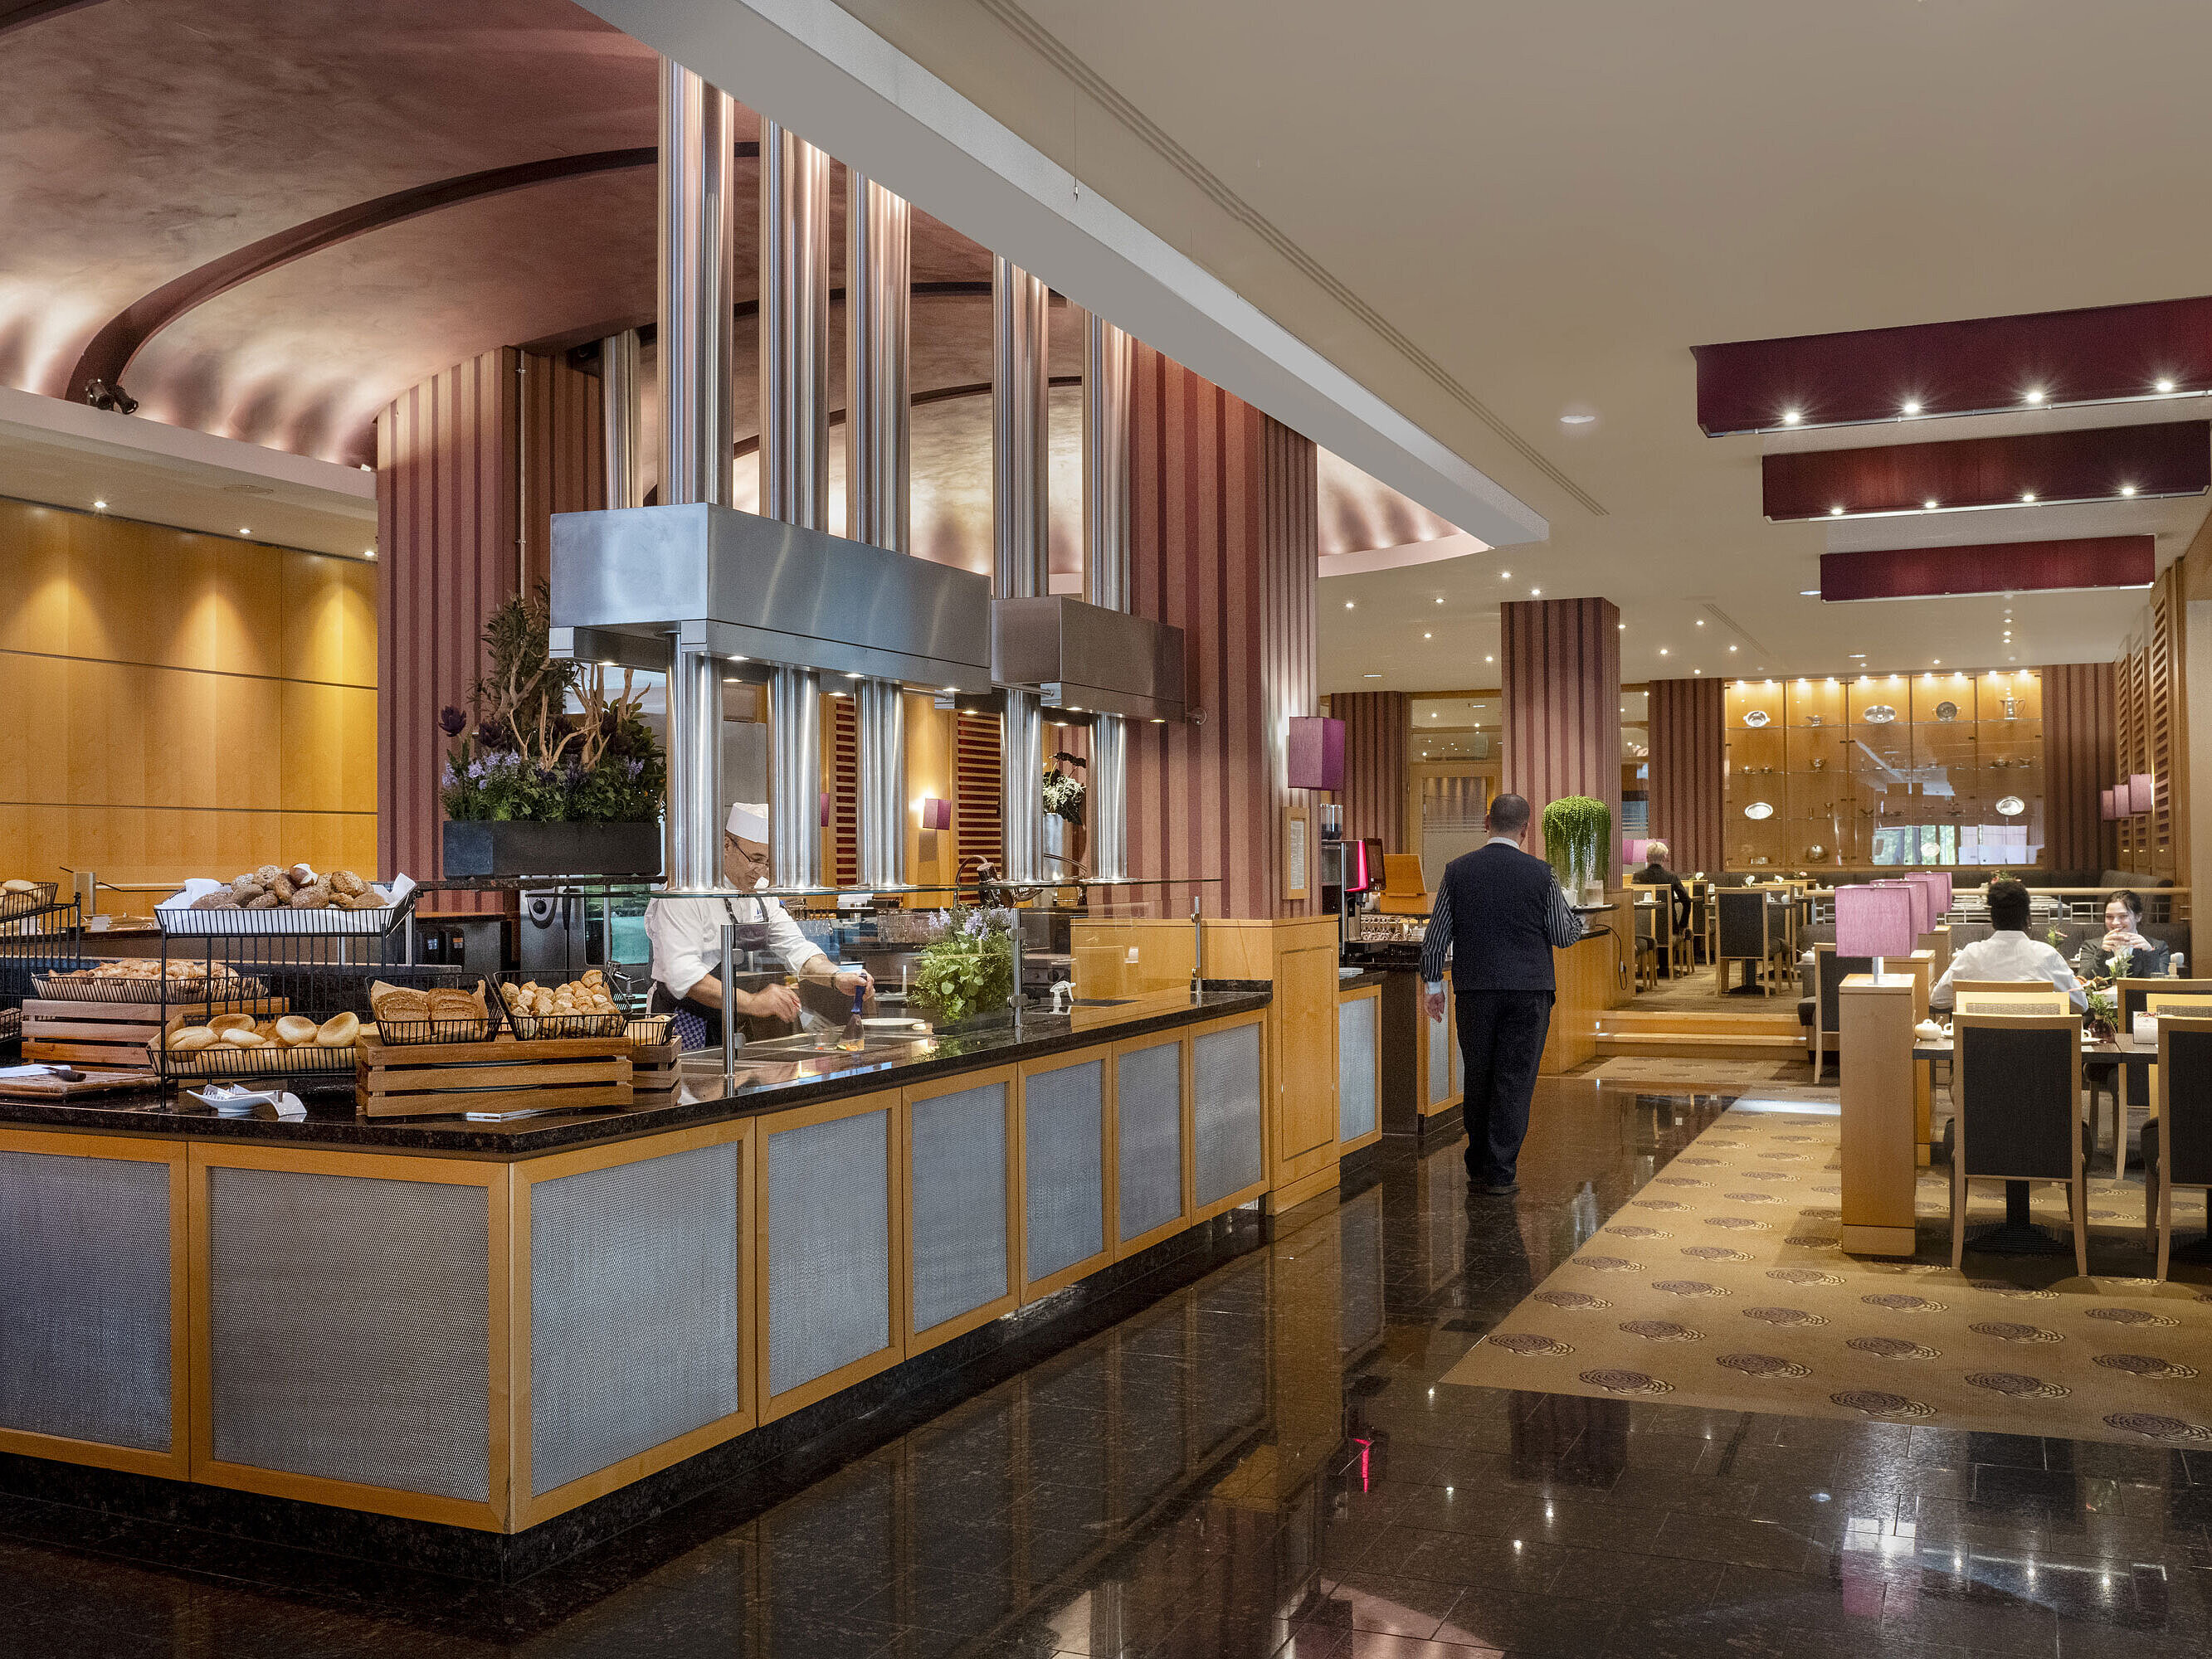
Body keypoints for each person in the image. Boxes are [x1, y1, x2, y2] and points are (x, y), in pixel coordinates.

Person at [1420, 793, 1583, 1195]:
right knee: (1514, 1079)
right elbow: (1564, 936)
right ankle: (1500, 1171)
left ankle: (1477, 1164)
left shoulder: (1458, 871)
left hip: (1475, 990)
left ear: (1485, 821)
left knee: (1479, 1075)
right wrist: (1575, 918)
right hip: (1529, 992)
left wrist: (1434, 985)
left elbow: (1435, 937)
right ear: (1526, 831)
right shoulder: (1541, 874)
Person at [646, 802, 871, 1049]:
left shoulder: (762, 892)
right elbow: (683, 975)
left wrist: (836, 977)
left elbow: (796, 948)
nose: (761, 871)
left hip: (737, 1023)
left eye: (767, 862)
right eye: (755, 859)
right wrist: (753, 1002)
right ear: (726, 845)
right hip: (683, 1023)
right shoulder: (686, 892)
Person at [1929, 878, 2085, 1012]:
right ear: (2027, 920)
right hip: (2038, 1046)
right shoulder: (2046, 955)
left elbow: (1938, 1000)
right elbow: (2081, 1004)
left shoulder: (1972, 954)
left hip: (1979, 1046)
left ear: (1993, 920)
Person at [2073, 888, 2169, 982]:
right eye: (2109, 917)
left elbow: (2162, 986)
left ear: (2138, 917)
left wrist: (2149, 953)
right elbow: (2082, 983)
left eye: (2123, 916)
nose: (2115, 923)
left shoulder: (2158, 947)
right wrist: (2102, 953)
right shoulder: (2091, 946)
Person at [1634, 839, 1693, 942]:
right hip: (1668, 928)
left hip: (1642, 929)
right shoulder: (1671, 877)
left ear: (1647, 858)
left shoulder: (1638, 877)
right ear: (1664, 858)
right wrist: (1683, 925)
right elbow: (1687, 901)